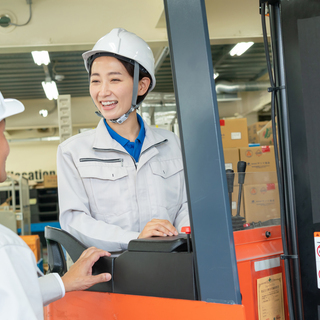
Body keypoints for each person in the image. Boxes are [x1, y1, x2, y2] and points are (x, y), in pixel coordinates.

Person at [57, 28, 189, 252]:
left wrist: (183, 235)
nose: (103, 92)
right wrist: (135, 239)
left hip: (174, 264)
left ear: (141, 86)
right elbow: (75, 221)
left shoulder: (172, 144)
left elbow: (187, 205)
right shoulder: (73, 152)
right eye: (96, 81)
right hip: (113, 272)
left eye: (115, 80)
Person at [0, 92, 112, 320]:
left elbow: (13, 295)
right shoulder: (6, 250)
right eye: (2, 134)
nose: (7, 147)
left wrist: (63, 283)